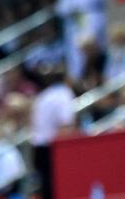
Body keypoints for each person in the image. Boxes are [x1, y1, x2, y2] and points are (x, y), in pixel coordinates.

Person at [30, 65, 76, 199]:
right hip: (52, 148)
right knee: (57, 188)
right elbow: (66, 125)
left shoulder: (43, 96)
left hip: (37, 147)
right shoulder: (64, 94)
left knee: (45, 189)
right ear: (67, 79)